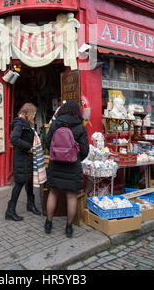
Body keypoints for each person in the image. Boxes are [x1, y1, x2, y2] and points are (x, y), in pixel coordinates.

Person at [44, 100, 89, 238]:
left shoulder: (55, 124)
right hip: (72, 166)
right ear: (77, 112)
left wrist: (56, 154)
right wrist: (75, 157)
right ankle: (69, 227)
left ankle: (48, 223)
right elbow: (85, 150)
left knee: (53, 193)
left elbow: (47, 143)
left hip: (55, 164)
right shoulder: (80, 127)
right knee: (71, 196)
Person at [5, 103, 41, 221]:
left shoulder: (26, 123)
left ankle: (30, 205)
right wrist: (29, 147)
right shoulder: (20, 123)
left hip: (27, 158)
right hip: (22, 158)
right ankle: (10, 211)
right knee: (19, 184)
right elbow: (14, 139)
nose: (35, 116)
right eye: (34, 113)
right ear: (29, 113)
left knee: (29, 183)